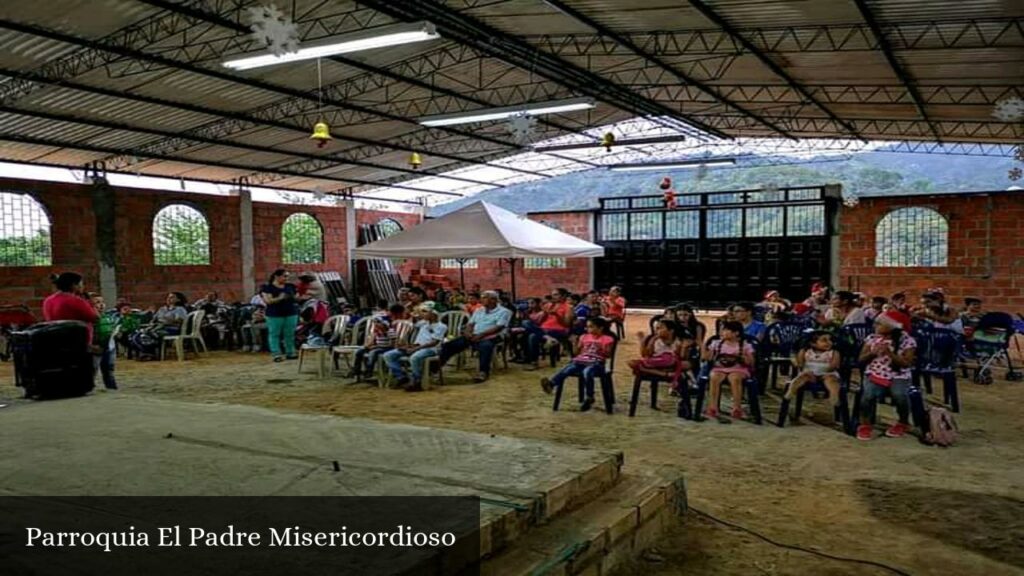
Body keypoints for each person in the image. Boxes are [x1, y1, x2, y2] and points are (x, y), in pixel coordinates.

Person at [856, 310, 916, 441]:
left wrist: (890, 353)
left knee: (899, 395)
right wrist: (872, 353)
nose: (875, 325)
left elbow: (906, 364)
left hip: (898, 374)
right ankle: (865, 424)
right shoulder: (872, 338)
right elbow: (860, 359)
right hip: (875, 372)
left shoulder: (907, 340)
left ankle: (903, 421)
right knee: (868, 395)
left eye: (880, 324)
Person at [540, 317, 615, 412]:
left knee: (587, 372)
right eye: (588, 327)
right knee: (568, 368)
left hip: (596, 363)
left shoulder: (607, 339)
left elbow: (608, 355)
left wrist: (603, 349)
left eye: (591, 327)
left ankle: (589, 396)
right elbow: (576, 353)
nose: (588, 329)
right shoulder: (584, 337)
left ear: (600, 328)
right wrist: (574, 343)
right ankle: (552, 383)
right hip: (581, 360)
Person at [436, 291, 512, 383]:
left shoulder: (504, 311)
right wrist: (468, 332)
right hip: (474, 335)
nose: (481, 300)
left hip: (492, 336)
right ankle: (435, 369)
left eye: (484, 297)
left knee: (485, 346)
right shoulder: (479, 310)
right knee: (449, 345)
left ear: (493, 300)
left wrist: (481, 335)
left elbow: (499, 327)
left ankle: (483, 372)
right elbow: (470, 324)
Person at [703, 320, 756, 421]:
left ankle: (737, 407)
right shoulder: (717, 343)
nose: (722, 333)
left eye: (726, 331)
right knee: (714, 377)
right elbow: (707, 358)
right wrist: (705, 348)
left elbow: (751, 362)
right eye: (722, 331)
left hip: (738, 368)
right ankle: (713, 406)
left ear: (736, 333)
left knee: (735, 378)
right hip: (720, 368)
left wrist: (743, 357)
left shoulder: (744, 345)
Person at [383, 308, 447, 392]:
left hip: (431, 349)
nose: (422, 314)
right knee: (388, 355)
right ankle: (401, 377)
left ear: (433, 313)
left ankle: (416, 381)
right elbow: (411, 323)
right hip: (415, 346)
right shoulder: (423, 323)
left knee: (414, 357)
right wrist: (407, 345)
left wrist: (415, 349)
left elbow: (434, 343)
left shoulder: (441, 326)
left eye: (425, 312)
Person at [784, 331, 841, 413]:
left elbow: (834, 365)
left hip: (827, 373)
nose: (829, 343)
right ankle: (790, 393)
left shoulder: (833, 353)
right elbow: (800, 364)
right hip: (810, 373)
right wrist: (796, 359)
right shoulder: (806, 352)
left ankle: (834, 397)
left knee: (832, 381)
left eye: (830, 340)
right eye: (824, 340)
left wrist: (826, 369)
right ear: (813, 344)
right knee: (801, 377)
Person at [349, 304, 405, 380]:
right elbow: (372, 339)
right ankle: (356, 370)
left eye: (378, 324)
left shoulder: (389, 331)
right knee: (359, 351)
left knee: (373, 353)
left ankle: (369, 370)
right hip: (378, 346)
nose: (376, 325)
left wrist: (392, 347)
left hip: (386, 347)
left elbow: (393, 342)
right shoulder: (377, 331)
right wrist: (368, 346)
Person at [42, 272, 99, 344]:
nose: (83, 287)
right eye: (81, 284)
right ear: (74, 285)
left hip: (55, 340)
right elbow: (95, 317)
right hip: (76, 341)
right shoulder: (76, 300)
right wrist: (91, 303)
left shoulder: (48, 300)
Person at [525, 289, 573, 370]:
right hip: (543, 329)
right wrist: (544, 314)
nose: (553, 297)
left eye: (556, 294)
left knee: (532, 336)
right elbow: (539, 322)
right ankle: (535, 361)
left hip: (558, 330)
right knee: (526, 323)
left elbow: (567, 324)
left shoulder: (568, 307)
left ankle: (534, 362)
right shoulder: (548, 305)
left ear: (563, 296)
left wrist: (557, 315)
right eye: (552, 294)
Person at [261, 269, 299, 362]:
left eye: (287, 276)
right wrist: (280, 298)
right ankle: (276, 354)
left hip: (291, 313)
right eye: (284, 276)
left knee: (289, 334)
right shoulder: (268, 288)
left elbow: (297, 297)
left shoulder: (290, 286)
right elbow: (268, 301)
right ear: (276, 276)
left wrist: (296, 297)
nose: (286, 278)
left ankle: (290, 352)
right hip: (274, 314)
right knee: (274, 334)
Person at [90, 294, 118, 390]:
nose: (101, 305)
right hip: (96, 346)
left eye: (102, 302)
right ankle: (90, 387)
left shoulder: (107, 316)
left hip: (109, 346)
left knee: (109, 370)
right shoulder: (91, 318)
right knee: (93, 369)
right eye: (97, 303)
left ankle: (111, 387)